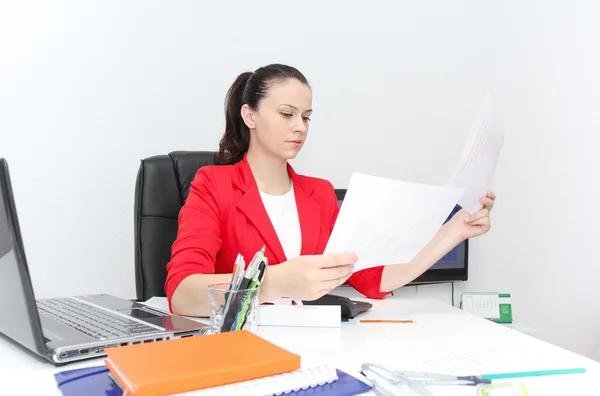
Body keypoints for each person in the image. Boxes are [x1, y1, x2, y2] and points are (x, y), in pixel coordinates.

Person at [165, 64, 496, 317]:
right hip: (244, 350)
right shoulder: (213, 184)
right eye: (286, 114)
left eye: (306, 117)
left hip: (316, 347)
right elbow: (181, 293)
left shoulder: (319, 194)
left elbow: (371, 278)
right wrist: (276, 282)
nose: (300, 127)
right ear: (249, 115)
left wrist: (454, 232)